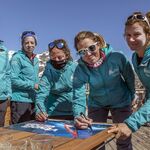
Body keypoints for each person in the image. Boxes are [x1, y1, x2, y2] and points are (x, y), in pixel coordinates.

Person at [72, 31, 136, 150]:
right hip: (97, 103)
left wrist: (132, 96)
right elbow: (78, 95)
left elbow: (129, 78)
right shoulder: (80, 69)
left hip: (121, 101)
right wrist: (79, 115)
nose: (89, 54)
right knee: (96, 140)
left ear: (98, 44)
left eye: (91, 48)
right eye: (82, 52)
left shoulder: (117, 57)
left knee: (123, 138)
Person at [108, 12, 150, 140]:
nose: (131, 39)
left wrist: (130, 124)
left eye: (137, 34)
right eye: (128, 35)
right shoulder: (135, 57)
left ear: (148, 35)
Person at [35, 39, 84, 121]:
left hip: (73, 112)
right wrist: (40, 111)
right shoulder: (48, 71)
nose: (56, 60)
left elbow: (80, 94)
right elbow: (42, 94)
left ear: (66, 55)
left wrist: (79, 114)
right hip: (53, 113)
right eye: (53, 57)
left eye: (60, 57)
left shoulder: (75, 68)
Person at [10, 31, 39, 124]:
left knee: (31, 131)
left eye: (32, 42)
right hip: (20, 101)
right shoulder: (17, 58)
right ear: (22, 44)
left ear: (35, 44)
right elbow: (13, 80)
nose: (29, 45)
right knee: (19, 131)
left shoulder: (36, 59)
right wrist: (32, 85)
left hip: (33, 100)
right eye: (26, 43)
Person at [0, 40, 11, 127]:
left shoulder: (4, 50)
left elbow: (7, 73)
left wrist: (8, 93)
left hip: (2, 96)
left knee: (1, 126)